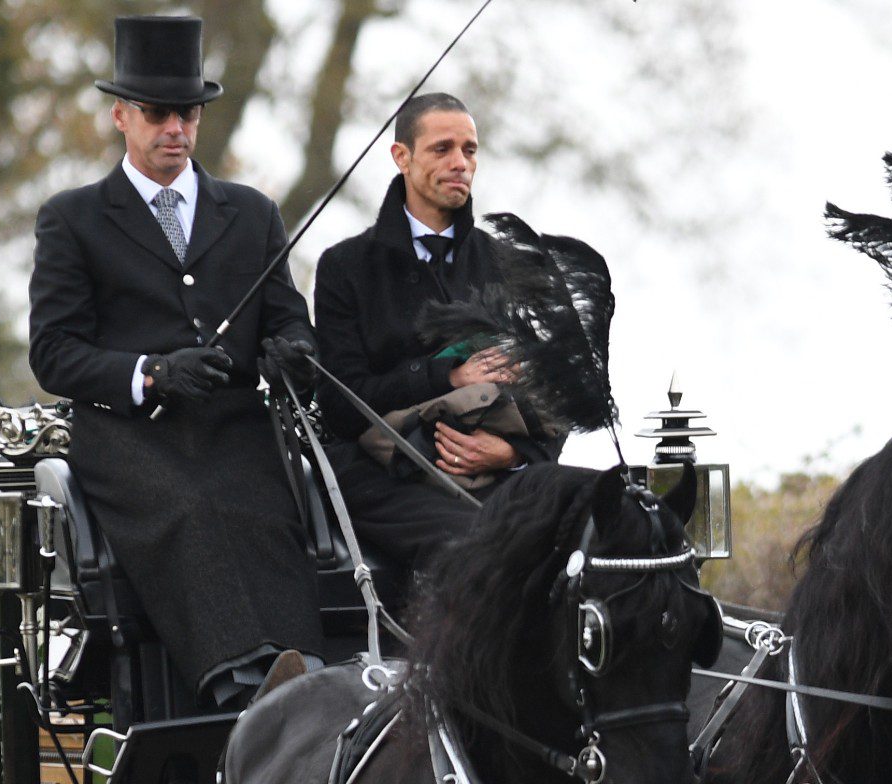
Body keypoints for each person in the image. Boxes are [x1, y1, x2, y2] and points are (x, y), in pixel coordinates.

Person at [28, 15, 321, 711]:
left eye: (186, 114)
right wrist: (150, 373)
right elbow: (54, 352)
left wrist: (294, 351)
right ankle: (243, 680)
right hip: (130, 438)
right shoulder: (73, 219)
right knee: (191, 507)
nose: (176, 130)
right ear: (121, 117)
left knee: (261, 507)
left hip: (234, 429)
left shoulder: (251, 214)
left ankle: (301, 672)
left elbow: (286, 316)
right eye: (158, 114)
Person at [313, 93, 563, 568]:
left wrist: (511, 453)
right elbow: (342, 406)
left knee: (599, 520)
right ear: (401, 157)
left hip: (505, 474)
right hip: (384, 477)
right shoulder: (345, 267)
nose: (460, 163)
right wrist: (447, 378)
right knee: (480, 545)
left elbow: (557, 395)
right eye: (442, 148)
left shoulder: (509, 265)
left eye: (469, 150)